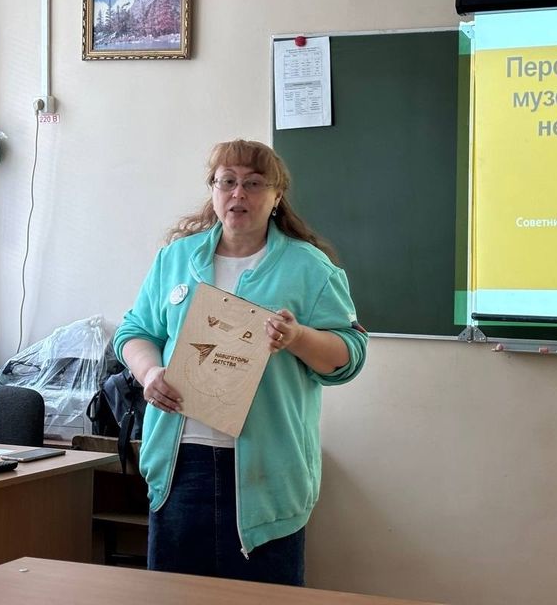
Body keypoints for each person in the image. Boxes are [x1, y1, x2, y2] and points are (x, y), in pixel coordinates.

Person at [113, 139, 368, 586]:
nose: (238, 193)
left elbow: (349, 355)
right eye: (227, 181)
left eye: (253, 183)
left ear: (276, 195)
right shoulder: (176, 259)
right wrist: (149, 373)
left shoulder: (309, 267)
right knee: (175, 596)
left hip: (268, 472)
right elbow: (135, 332)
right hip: (180, 464)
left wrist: (298, 337)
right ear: (212, 190)